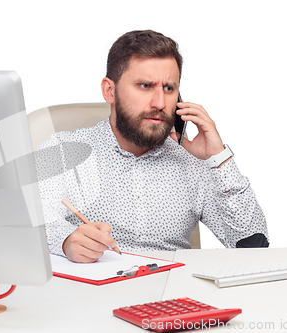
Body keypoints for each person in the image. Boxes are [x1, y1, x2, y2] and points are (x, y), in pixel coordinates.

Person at [35, 30, 268, 263]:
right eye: (145, 85)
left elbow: (253, 245)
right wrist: (66, 241)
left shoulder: (194, 161)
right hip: (94, 293)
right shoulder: (63, 152)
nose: (159, 103)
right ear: (109, 90)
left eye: (168, 89)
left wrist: (219, 159)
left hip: (174, 291)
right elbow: (23, 225)